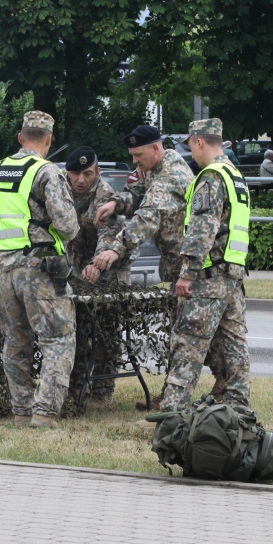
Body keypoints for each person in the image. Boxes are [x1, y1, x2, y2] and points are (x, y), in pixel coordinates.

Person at [0, 111, 79, 429]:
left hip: (4, 268)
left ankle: (21, 410)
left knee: (15, 341)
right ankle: (44, 412)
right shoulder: (46, 172)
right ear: (48, 139)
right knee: (58, 338)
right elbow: (67, 227)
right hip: (39, 268)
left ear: (20, 137)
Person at [160, 118, 252, 413]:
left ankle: (171, 413)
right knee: (234, 346)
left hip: (208, 277)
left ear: (199, 141)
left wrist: (187, 273)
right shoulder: (234, 175)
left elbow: (203, 229)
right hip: (232, 276)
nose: (191, 152)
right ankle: (237, 409)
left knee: (187, 345)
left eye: (190, 145)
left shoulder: (210, 177)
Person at [60, 146, 129, 411]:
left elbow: (109, 233)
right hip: (76, 268)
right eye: (75, 173)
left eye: (87, 173)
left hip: (111, 266)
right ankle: (76, 386)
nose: (80, 180)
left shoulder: (105, 194)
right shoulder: (61, 190)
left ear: (97, 172)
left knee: (106, 331)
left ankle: (102, 390)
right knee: (77, 327)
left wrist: (97, 263)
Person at [92, 124, 194, 293]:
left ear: (155, 148)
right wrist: (114, 203)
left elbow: (148, 216)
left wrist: (116, 248)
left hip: (187, 271)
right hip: (176, 267)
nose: (134, 161)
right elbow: (136, 193)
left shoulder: (170, 176)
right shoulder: (152, 168)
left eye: (138, 155)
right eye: (132, 155)